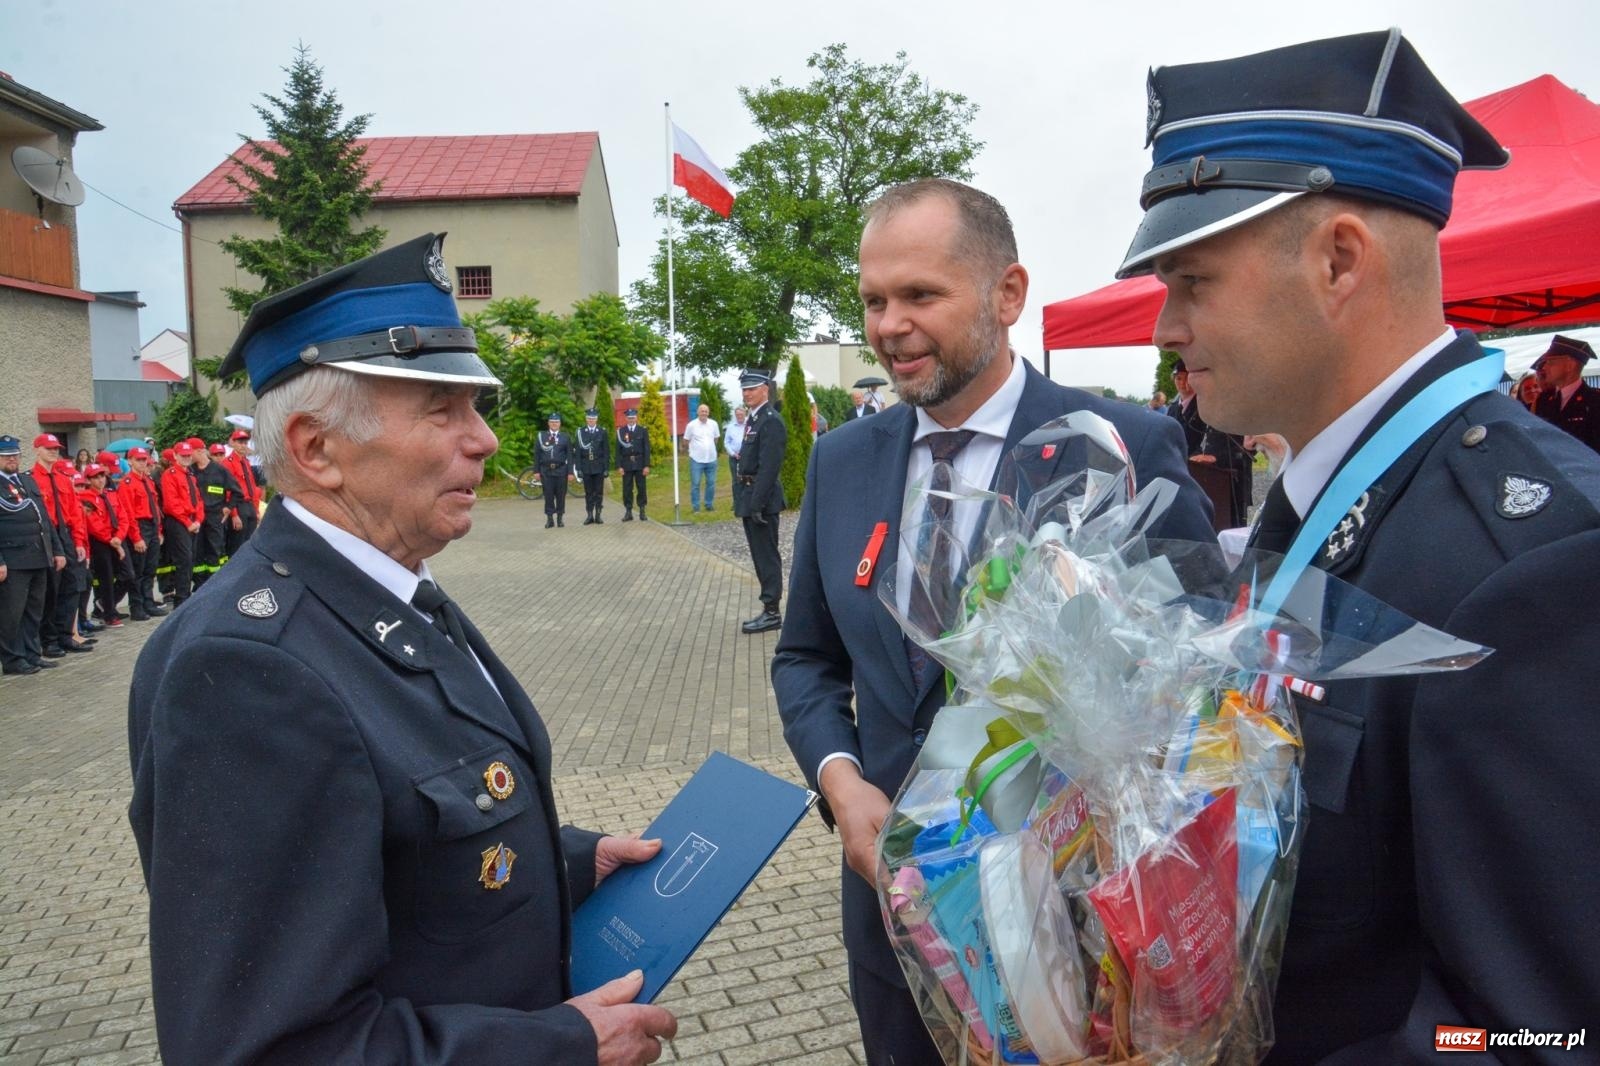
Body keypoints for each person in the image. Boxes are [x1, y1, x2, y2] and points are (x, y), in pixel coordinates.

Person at [1120, 30, 1600, 1060]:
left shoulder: (1538, 562)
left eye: (1190, 280)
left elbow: (1538, 1032)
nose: (1164, 327)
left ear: (1339, 261)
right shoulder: (1310, 499)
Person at [128, 233, 677, 1065]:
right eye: (443, 411)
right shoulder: (247, 672)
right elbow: (272, 1047)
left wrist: (566, 862)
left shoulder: (381, 582)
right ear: (318, 450)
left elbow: (399, 850)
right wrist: (561, 1047)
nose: (486, 440)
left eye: (477, 406)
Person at [773, 177, 1215, 1065]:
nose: (888, 325)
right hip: (892, 908)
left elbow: (1200, 671)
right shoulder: (843, 459)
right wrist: (840, 780)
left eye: (920, 296)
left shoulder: (1119, 446)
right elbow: (805, 658)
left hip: (1073, 931)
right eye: (872, 300)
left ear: (1007, 294)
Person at [1, 434, 66, 676]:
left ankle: (31, 653)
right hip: (14, 560)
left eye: (14, 455)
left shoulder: (26, 482)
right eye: (6, 456)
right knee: (12, 613)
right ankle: (12, 659)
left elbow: (45, 520)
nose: (12, 460)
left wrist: (57, 551)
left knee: (33, 610)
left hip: (38, 556)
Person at [734, 369, 786, 633]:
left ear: (765, 389)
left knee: (767, 557)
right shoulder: (754, 420)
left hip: (762, 500)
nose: (747, 393)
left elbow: (769, 467)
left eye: (752, 388)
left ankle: (772, 612)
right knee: (758, 556)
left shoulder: (770, 421)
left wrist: (757, 503)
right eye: (744, 389)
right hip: (750, 495)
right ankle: (769, 608)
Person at [116, 446, 167, 621]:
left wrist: (159, 530)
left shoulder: (148, 481)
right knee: (138, 570)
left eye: (144, 459)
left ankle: (148, 602)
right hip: (139, 526)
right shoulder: (127, 483)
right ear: (130, 461)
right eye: (138, 459)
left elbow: (156, 508)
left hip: (152, 526)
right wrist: (136, 537)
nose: (142, 462)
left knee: (150, 568)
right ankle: (136, 606)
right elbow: (128, 513)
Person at [80, 463, 130, 627]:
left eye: (102, 476)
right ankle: (109, 614)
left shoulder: (111, 494)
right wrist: (111, 540)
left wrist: (119, 537)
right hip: (101, 542)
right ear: (88, 479)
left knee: (128, 574)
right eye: (96, 477)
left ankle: (104, 604)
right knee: (106, 577)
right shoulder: (86, 498)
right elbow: (93, 523)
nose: (101, 480)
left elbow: (123, 517)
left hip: (116, 538)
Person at [1532, 334, 1600, 452]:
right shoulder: (1543, 399)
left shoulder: (1595, 401)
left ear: (1570, 366)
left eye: (1551, 362)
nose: (1544, 367)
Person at [159, 440, 203, 607]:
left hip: (192, 521)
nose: (186, 458)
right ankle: (181, 599)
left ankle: (185, 594)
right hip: (178, 522)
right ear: (176, 456)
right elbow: (171, 504)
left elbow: (198, 500)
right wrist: (188, 522)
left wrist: (198, 520)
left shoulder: (190, 475)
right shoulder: (169, 475)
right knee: (183, 560)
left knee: (190, 559)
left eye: (188, 455)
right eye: (183, 455)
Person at [223, 428, 263, 552]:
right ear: (233, 443)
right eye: (240, 442)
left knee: (250, 542)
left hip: (249, 505)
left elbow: (252, 487)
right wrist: (234, 514)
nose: (243, 445)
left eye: (245, 443)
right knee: (237, 544)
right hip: (238, 505)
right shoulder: (227, 463)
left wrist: (256, 510)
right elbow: (228, 491)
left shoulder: (245, 462)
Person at [536, 413, 576, 528]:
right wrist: (536, 471)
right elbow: (537, 455)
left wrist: (570, 472)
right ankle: (550, 519)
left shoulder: (565, 437)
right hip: (546, 471)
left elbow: (569, 455)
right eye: (552, 422)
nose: (554, 424)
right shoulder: (541, 436)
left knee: (560, 495)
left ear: (560, 424)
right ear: (548, 423)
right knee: (548, 495)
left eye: (557, 422)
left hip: (561, 471)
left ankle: (560, 518)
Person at [574, 408, 611, 525]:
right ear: (586, 419)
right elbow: (578, 453)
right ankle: (589, 515)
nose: (591, 420)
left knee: (599, 492)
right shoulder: (580, 432)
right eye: (589, 418)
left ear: (596, 419)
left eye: (593, 419)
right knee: (588, 492)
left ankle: (598, 515)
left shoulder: (602, 431)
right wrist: (578, 468)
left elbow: (606, 451)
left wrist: (606, 468)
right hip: (586, 467)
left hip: (599, 467)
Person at [1165, 357, 1208, 453]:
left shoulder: (1202, 404)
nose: (1182, 383)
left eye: (1187, 378)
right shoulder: (1172, 408)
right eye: (1178, 378)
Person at [682, 403, 720, 513]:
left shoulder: (714, 424)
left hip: (711, 459)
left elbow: (716, 439)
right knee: (696, 484)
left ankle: (709, 504)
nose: (704, 413)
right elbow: (685, 440)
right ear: (698, 412)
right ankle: (696, 507)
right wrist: (691, 449)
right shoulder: (691, 425)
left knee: (711, 483)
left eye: (706, 411)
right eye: (702, 411)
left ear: (708, 413)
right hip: (696, 460)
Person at [615, 407, 650, 521]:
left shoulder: (642, 430)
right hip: (626, 463)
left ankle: (642, 510)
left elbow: (646, 448)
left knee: (641, 487)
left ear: (636, 418)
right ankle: (628, 511)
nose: (631, 420)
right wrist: (619, 466)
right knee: (627, 488)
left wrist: (646, 465)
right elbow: (618, 450)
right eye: (629, 418)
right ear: (626, 418)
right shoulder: (621, 431)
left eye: (633, 418)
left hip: (640, 463)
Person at [723, 406, 747, 512]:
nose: (739, 416)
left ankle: (746, 501)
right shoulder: (730, 427)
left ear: (745, 414)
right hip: (734, 457)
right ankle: (736, 503)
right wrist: (733, 453)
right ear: (735, 415)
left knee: (747, 479)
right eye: (737, 415)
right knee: (735, 481)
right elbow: (726, 442)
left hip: (747, 457)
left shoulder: (749, 425)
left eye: (741, 414)